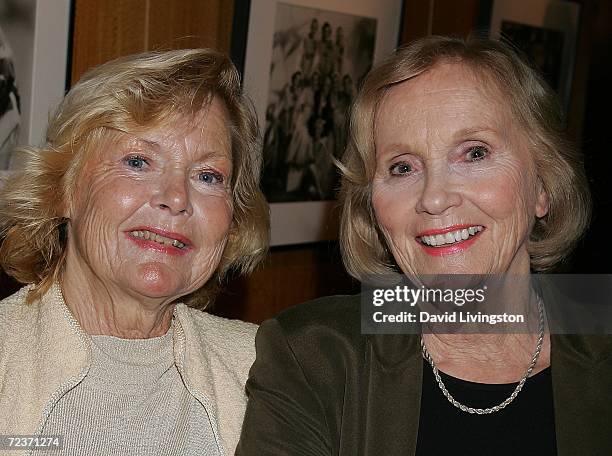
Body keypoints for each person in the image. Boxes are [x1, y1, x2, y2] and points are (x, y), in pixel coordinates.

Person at [237, 36, 612, 455]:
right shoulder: (313, 354)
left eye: (474, 153)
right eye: (402, 167)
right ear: (374, 207)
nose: (434, 198)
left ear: (542, 185)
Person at [0, 48, 269, 455]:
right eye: (139, 161)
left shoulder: (266, 368)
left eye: (208, 175)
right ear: (63, 190)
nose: (177, 197)